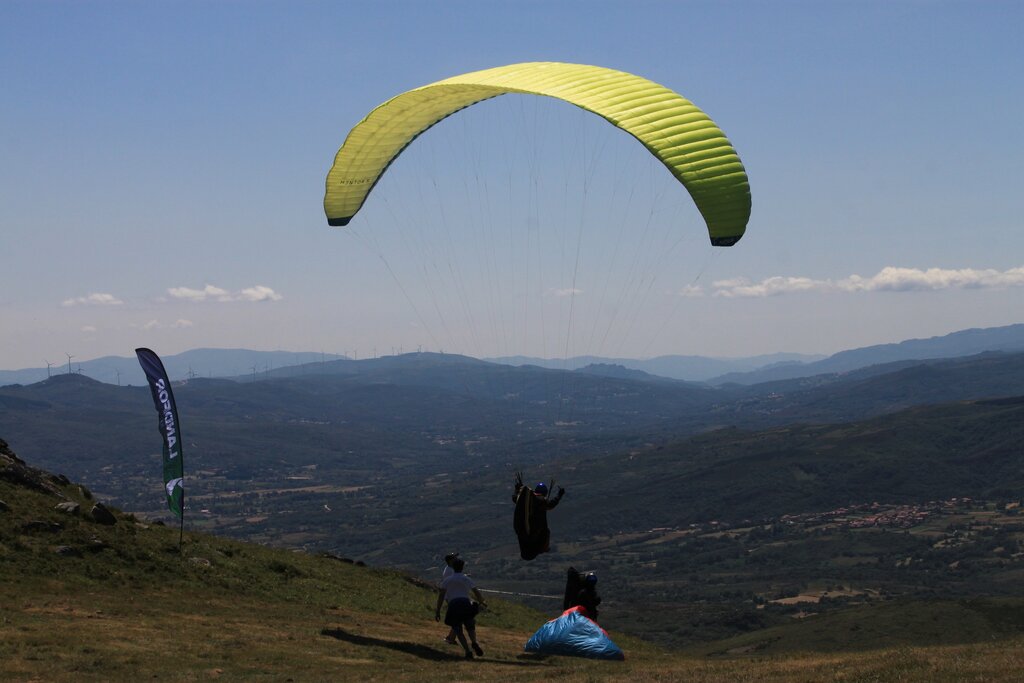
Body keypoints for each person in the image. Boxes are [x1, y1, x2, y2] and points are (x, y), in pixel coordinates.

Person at [435, 557, 487, 659]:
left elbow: (441, 596)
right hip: (466, 603)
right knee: (470, 625)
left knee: (458, 629)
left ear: (453, 567)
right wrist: (482, 602)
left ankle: (467, 651)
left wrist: (438, 610)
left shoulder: (447, 580)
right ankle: (474, 642)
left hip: (454, 605)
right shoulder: (466, 579)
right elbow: (476, 591)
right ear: (462, 568)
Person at [512, 472, 565, 560]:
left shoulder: (527, 500)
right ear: (544, 493)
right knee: (547, 531)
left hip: (522, 529)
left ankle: (532, 550)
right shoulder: (541, 501)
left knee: (526, 544)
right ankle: (543, 548)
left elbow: (515, 498)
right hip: (534, 531)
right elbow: (551, 504)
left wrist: (517, 489)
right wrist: (559, 495)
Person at [440, 552, 460, 644]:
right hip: (453, 597)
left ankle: (450, 637)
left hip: (452, 596)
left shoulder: (449, 569)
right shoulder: (450, 571)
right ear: (450, 561)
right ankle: (450, 638)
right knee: (458, 619)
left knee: (458, 618)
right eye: (454, 558)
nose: (456, 559)